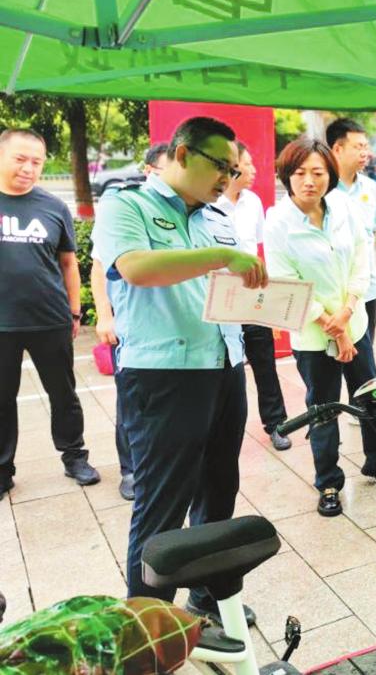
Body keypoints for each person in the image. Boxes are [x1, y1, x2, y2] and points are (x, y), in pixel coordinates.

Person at [92, 117, 267, 625]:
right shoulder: (127, 205)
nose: (227, 178)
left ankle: (207, 597)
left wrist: (262, 294)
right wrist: (223, 256)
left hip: (224, 364)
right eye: (220, 166)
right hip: (164, 374)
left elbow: (222, 288)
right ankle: (147, 625)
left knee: (218, 491)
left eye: (234, 170)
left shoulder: (217, 217)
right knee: (162, 505)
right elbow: (136, 268)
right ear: (184, 153)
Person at [265, 137, 376, 517]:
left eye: (318, 172)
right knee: (323, 409)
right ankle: (328, 481)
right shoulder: (278, 222)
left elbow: (361, 259)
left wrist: (349, 310)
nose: (309, 181)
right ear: (287, 176)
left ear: (330, 175)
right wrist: (332, 326)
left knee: (371, 396)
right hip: (313, 334)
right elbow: (285, 281)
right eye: (300, 173)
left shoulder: (343, 207)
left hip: (354, 322)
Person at [0, 128, 100, 501]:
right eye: (20, 159)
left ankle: (75, 457)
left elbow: (68, 263)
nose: (29, 168)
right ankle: (3, 470)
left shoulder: (53, 207)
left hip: (50, 319)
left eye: (37, 162)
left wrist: (74, 312)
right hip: (2, 324)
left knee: (63, 394)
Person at [92, 143, 169, 501]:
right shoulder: (123, 206)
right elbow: (98, 267)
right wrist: (104, 315)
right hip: (129, 325)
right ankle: (131, 470)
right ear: (150, 170)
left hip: (166, 328)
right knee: (131, 404)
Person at [214, 141, 291, 452]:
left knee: (264, 361)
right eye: (248, 164)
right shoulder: (210, 204)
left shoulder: (253, 202)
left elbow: (258, 249)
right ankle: (220, 428)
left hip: (251, 292)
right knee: (224, 367)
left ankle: (277, 424)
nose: (254, 170)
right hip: (222, 297)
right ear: (233, 167)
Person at [326, 118, 376, 342]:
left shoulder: (371, 189)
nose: (365, 153)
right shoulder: (323, 189)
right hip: (332, 294)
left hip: (367, 291)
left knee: (365, 355)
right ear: (337, 149)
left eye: (366, 147)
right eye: (358, 147)